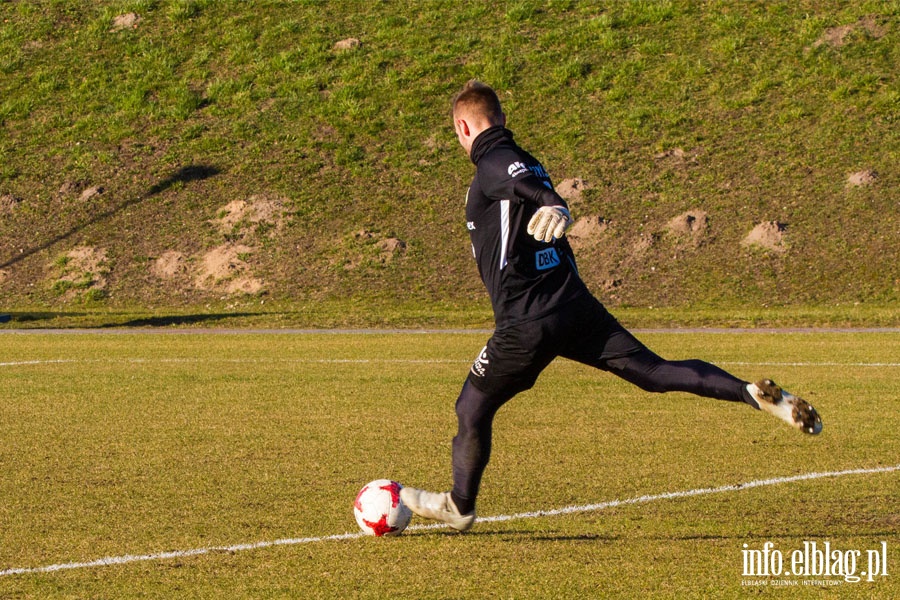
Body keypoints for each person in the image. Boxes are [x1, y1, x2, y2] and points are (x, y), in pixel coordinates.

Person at [400, 80, 822, 532]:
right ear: (501, 118)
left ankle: (459, 506)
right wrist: (550, 204)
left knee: (471, 408)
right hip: (572, 305)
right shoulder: (528, 161)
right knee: (654, 372)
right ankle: (747, 392)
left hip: (525, 322)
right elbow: (524, 182)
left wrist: (554, 203)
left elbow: (513, 178)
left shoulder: (492, 161)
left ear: (463, 127)